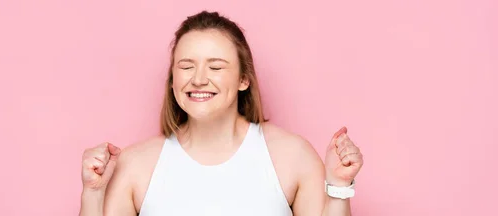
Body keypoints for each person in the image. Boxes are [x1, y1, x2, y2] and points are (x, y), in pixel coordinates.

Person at [79, 11, 363, 216]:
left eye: (216, 67)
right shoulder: (134, 164)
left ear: (243, 79)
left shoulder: (293, 155)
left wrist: (339, 187)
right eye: (186, 66)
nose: (199, 79)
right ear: (172, 79)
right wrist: (92, 194)